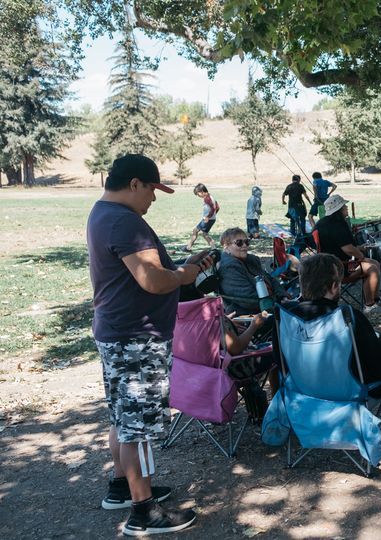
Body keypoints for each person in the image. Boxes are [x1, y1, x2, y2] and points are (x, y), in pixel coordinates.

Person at [87, 154, 212, 535]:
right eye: (153, 191)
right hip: (136, 339)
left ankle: (122, 487)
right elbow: (153, 281)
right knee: (138, 428)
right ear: (136, 183)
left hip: (117, 332)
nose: (153, 201)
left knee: (122, 418)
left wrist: (178, 269)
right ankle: (144, 512)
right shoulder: (125, 221)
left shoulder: (101, 212)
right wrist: (186, 273)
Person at [280, 253, 381, 427]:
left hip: (302, 396)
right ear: (335, 286)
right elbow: (380, 368)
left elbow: (280, 362)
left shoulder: (285, 316)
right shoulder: (346, 316)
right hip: (347, 396)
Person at [315, 194, 381, 314]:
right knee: (371, 268)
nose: (346, 208)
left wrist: (359, 249)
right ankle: (369, 305)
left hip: (326, 265)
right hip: (339, 268)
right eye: (344, 206)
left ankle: (374, 298)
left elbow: (338, 246)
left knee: (375, 263)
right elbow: (348, 249)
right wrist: (361, 256)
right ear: (338, 209)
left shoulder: (321, 223)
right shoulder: (337, 225)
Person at [218, 227, 289, 316]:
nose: (244, 245)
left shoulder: (251, 260)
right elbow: (248, 298)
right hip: (247, 315)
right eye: (239, 243)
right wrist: (277, 302)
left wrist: (283, 296)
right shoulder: (229, 267)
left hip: (269, 307)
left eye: (247, 242)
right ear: (226, 246)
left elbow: (270, 279)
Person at [185, 183, 218, 251]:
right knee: (204, 234)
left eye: (198, 194)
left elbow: (213, 208)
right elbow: (217, 207)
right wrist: (213, 215)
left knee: (196, 231)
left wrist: (208, 217)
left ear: (201, 191)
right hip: (211, 219)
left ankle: (188, 248)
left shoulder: (207, 199)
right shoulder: (211, 196)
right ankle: (213, 247)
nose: (198, 195)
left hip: (207, 219)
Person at [282, 174, 311, 239]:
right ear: (299, 180)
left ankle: (293, 233)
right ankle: (303, 232)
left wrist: (283, 201)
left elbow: (283, 194)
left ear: (292, 180)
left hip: (291, 205)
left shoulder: (289, 186)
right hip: (299, 205)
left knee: (292, 219)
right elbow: (306, 196)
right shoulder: (300, 186)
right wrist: (310, 202)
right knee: (302, 218)